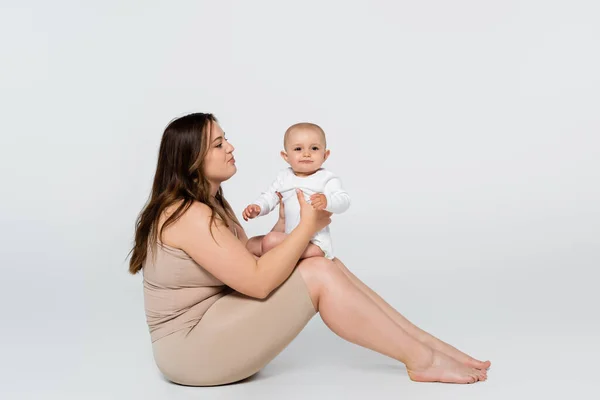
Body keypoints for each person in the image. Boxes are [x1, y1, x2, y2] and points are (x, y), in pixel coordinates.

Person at [128, 112, 490, 387]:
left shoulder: (209, 202)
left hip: (213, 324)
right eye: (219, 144)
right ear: (192, 159)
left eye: (227, 139)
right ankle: (421, 359)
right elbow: (256, 283)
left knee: (323, 260)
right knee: (316, 269)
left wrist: (280, 236)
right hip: (191, 351)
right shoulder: (187, 214)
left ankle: (428, 347)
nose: (231, 147)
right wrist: (306, 227)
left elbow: (240, 253)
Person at [242, 122, 350, 260]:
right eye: (298, 149)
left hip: (314, 243)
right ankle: (274, 263)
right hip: (290, 237)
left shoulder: (326, 179)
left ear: (325, 155)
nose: (306, 154)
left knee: (270, 241)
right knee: (251, 244)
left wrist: (327, 201)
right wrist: (258, 207)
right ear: (286, 156)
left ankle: (274, 268)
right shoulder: (283, 177)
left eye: (314, 148)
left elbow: (344, 200)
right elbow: (270, 196)